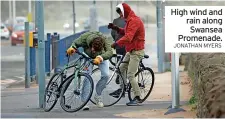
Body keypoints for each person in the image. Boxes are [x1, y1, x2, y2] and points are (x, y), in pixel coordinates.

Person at [108, 2, 145, 106]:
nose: (120, 15)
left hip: (137, 51)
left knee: (130, 75)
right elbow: (125, 31)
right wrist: (115, 28)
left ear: (125, 11)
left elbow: (128, 37)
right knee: (120, 68)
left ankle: (137, 97)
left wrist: (116, 43)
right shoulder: (129, 20)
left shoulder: (134, 21)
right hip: (130, 50)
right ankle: (123, 89)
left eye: (121, 13)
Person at [66, 31, 113, 110]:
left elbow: (110, 52)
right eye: (93, 49)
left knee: (106, 75)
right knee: (87, 77)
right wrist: (72, 48)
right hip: (87, 57)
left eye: (96, 50)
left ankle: (98, 96)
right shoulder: (85, 37)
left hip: (101, 57)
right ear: (90, 44)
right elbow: (75, 43)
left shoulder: (105, 39)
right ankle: (84, 101)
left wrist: (100, 57)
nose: (94, 51)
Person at [111, 12, 126, 84]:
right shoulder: (129, 20)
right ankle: (123, 77)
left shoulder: (115, 21)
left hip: (118, 45)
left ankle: (119, 74)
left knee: (119, 60)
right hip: (127, 45)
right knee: (126, 61)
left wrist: (116, 40)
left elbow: (112, 33)